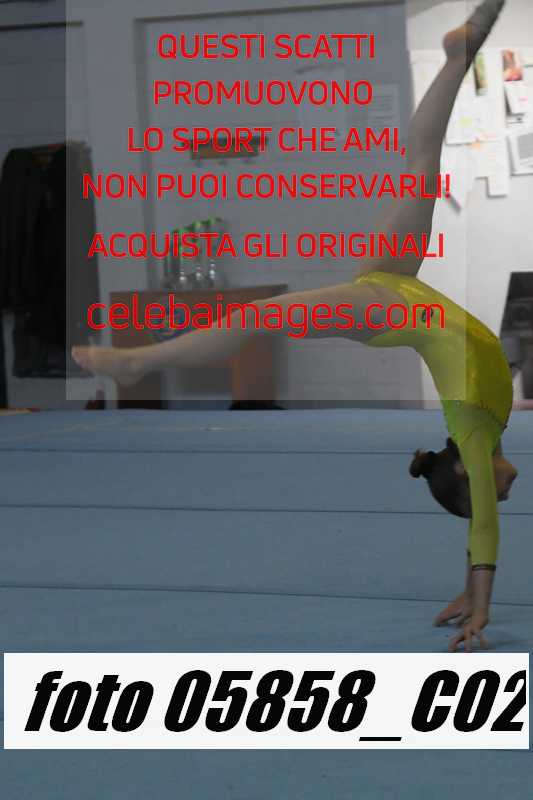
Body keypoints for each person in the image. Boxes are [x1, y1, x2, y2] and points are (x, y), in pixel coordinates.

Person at [73, 0, 518, 651]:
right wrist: (467, 588)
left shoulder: (474, 435)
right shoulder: (491, 424)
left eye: (489, 495)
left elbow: (483, 531)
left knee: (259, 316)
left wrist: (479, 602)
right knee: (421, 164)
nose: (504, 495)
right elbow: (481, 523)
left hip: (389, 308)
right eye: (496, 496)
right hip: (399, 285)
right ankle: (457, 57)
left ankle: (140, 360)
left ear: (465, 477)